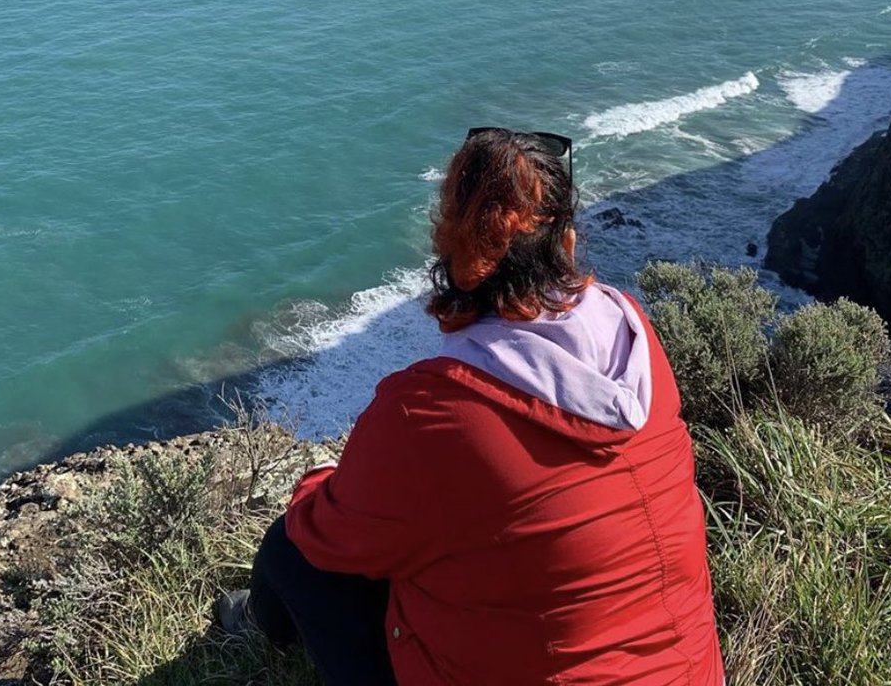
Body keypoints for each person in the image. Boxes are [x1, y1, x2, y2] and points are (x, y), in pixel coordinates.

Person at [218, 127, 724, 685]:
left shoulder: (433, 409)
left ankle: (251, 631)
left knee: (294, 552)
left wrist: (324, 479)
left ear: (452, 250)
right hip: (691, 673)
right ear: (569, 244)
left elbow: (328, 533)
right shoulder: (636, 336)